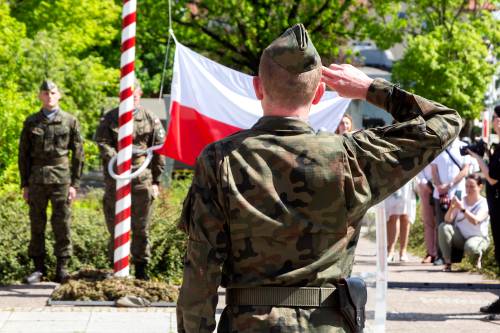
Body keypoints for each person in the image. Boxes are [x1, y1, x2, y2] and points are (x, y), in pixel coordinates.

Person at [176, 23, 461, 332]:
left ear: (258, 87)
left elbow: (201, 271)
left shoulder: (220, 160)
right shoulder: (352, 156)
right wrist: (369, 89)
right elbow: (444, 121)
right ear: (319, 92)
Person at [94, 80, 166, 280]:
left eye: (135, 95)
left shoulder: (149, 118)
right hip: (116, 179)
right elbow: (101, 142)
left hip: (142, 179)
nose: (131, 99)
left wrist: (156, 181)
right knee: (115, 225)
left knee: (141, 227)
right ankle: (117, 267)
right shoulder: (111, 118)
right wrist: (117, 159)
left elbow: (159, 150)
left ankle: (141, 269)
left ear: (140, 95)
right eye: (127, 96)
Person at [18, 80, 84, 284]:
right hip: (36, 179)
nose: (49, 96)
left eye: (53, 93)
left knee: (61, 223)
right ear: (40, 96)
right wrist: (24, 184)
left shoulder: (70, 121)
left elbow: (79, 154)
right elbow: (23, 155)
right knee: (37, 223)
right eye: (45, 93)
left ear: (59, 95)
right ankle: (38, 268)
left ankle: (62, 267)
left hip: (61, 179)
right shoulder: (31, 122)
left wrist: (75, 184)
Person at [469, 105, 500, 314]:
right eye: (496, 117)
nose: (496, 121)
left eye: (498, 118)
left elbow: (492, 177)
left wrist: (477, 158)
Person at [431, 137, 471, 265]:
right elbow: (434, 170)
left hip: (458, 193)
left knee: (456, 225)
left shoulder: (463, 146)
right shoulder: (438, 146)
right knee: (440, 224)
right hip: (440, 194)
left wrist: (449, 185)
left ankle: (455, 257)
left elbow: (465, 170)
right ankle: (440, 256)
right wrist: (439, 187)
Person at [438, 174, 489, 272]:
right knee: (443, 227)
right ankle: (448, 263)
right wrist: (452, 207)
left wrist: (462, 209)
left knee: (471, 246)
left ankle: (477, 262)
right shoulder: (462, 200)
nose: (468, 189)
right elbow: (447, 220)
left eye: (472, 186)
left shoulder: (484, 203)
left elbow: (475, 221)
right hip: (461, 238)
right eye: (466, 186)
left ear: (480, 187)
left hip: (478, 238)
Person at [385, 178, 417, 263]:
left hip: (408, 180)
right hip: (393, 179)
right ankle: (390, 251)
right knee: (393, 216)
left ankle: (403, 251)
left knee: (405, 216)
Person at [416, 165, 438, 263]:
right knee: (428, 222)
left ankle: (439, 253)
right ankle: (430, 253)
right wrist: (425, 184)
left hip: (443, 187)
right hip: (426, 187)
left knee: (440, 222)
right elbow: (419, 168)